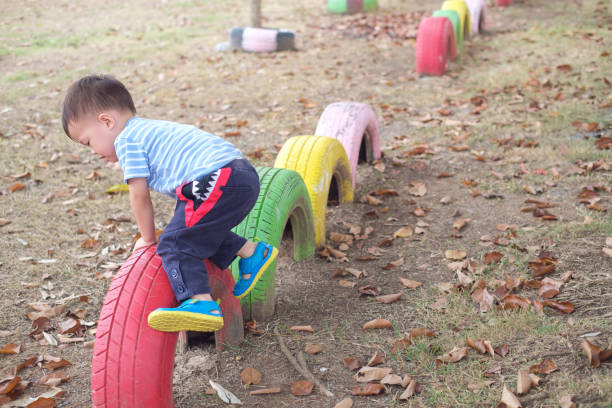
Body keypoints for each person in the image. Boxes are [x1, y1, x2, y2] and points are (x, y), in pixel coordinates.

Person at [61, 74, 278, 333]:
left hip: (217, 179)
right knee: (194, 231)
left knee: (175, 242)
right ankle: (251, 252)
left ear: (106, 121)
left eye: (88, 142)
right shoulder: (147, 130)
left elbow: (139, 195)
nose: (93, 152)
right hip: (238, 175)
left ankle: (199, 302)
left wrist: (148, 238)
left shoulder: (127, 140)